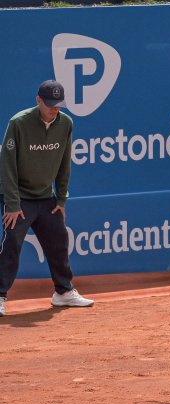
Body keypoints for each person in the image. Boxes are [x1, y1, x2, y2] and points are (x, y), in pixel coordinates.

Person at [0, 80, 94, 317]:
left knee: (59, 241)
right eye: (50, 104)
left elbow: (65, 163)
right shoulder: (18, 123)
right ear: (38, 100)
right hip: (19, 198)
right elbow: (7, 166)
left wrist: (61, 199)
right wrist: (12, 203)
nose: (54, 109)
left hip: (46, 197)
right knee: (12, 243)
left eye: (58, 105)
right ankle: (0, 295)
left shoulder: (66, 124)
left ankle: (63, 292)